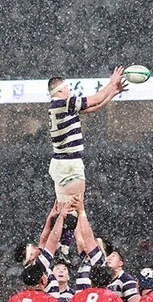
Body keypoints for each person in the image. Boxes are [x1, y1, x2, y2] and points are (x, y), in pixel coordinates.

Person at [46, 68, 126, 206]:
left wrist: (112, 93)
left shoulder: (58, 106)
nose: (69, 90)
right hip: (69, 164)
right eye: (66, 87)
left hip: (60, 163)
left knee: (64, 210)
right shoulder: (66, 103)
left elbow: (93, 107)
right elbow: (96, 99)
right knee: (76, 210)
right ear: (59, 91)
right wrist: (112, 82)